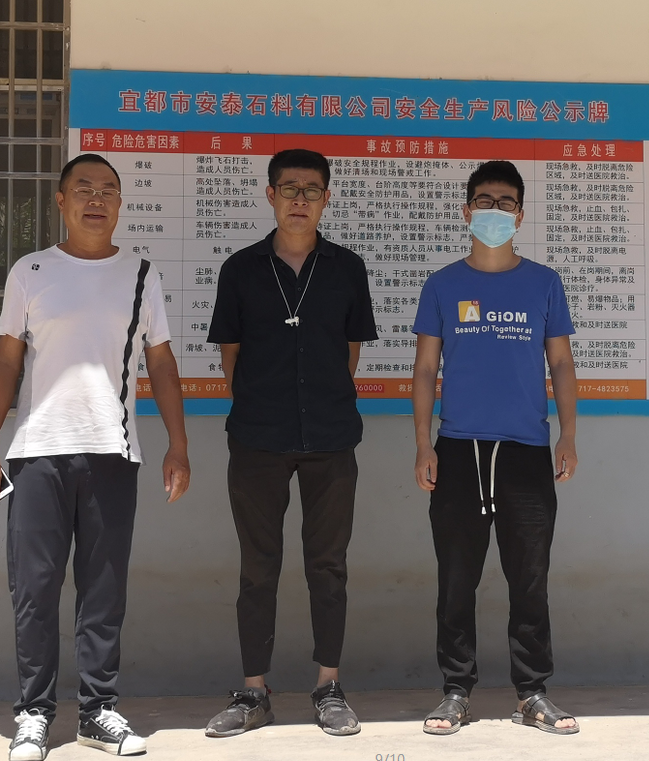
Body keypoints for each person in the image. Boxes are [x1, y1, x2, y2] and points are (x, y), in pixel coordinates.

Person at [0, 153, 191, 760]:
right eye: (84, 188)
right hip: (36, 453)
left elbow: (162, 363)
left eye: (108, 190)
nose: (97, 199)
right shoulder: (32, 270)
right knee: (34, 591)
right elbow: (6, 361)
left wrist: (178, 445)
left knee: (103, 591)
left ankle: (98, 711)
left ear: (120, 204)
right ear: (61, 201)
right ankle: (34, 714)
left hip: (113, 452)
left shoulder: (141, 273)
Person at [205, 148, 377, 738]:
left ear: (326, 199)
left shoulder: (347, 268)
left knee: (328, 566)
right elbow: (230, 356)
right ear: (270, 195)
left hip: (331, 436)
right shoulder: (241, 269)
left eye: (311, 190)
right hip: (258, 438)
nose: (299, 199)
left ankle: (328, 686)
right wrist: (266, 405)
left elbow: (351, 351)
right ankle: (254, 693)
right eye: (288, 188)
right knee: (258, 569)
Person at [411, 160, 580, 736]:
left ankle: (532, 692)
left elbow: (561, 363)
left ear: (520, 215)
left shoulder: (544, 282)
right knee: (457, 576)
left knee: (529, 577)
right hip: (458, 448)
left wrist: (568, 435)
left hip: (526, 449)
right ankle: (455, 692)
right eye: (484, 201)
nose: (495, 211)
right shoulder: (443, 284)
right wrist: (423, 444)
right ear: (466, 211)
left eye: (506, 203)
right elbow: (425, 368)